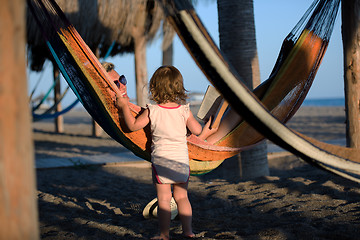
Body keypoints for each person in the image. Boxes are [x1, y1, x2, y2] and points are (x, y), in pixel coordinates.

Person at [115, 66, 216, 240]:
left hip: (161, 162)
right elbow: (197, 130)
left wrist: (124, 106)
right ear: (179, 87)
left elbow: (132, 126)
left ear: (154, 87)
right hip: (181, 162)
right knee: (182, 197)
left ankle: (164, 234)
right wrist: (204, 125)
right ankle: (188, 231)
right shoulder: (184, 110)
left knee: (163, 200)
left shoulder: (152, 111)